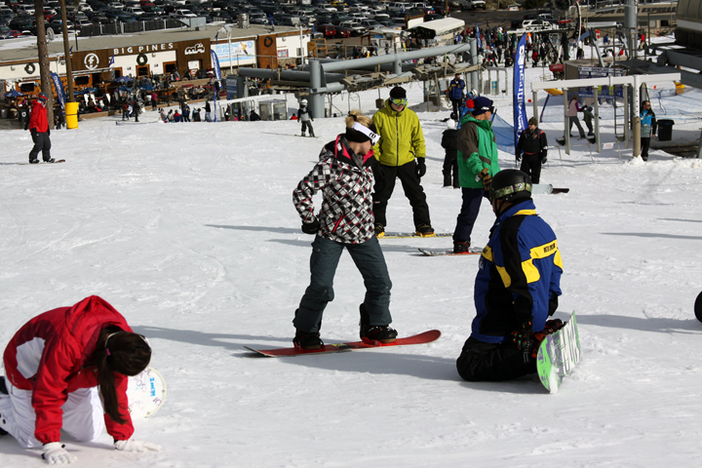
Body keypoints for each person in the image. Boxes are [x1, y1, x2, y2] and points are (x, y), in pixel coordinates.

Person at [0, 296, 161, 463]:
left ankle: (48, 415)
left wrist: (123, 438)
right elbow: (49, 391)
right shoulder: (68, 343)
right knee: (32, 441)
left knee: (87, 435)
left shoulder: (122, 343)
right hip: (28, 372)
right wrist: (51, 443)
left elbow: (116, 390)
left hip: (75, 374)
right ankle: (3, 398)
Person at [291, 110, 396, 350]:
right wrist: (309, 219)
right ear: (361, 140)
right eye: (373, 141)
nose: (374, 147)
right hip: (331, 234)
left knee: (381, 283)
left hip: (364, 233)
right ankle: (306, 332)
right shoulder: (329, 164)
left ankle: (375, 325)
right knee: (321, 287)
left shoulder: (369, 163)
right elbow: (302, 191)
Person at [456, 169, 563, 382]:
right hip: (530, 316)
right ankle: (538, 339)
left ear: (505, 198)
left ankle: (530, 356)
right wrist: (546, 308)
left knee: (469, 364)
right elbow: (555, 271)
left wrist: (526, 325)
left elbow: (521, 283)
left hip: (503, 321)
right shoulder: (541, 226)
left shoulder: (510, 232)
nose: (491, 204)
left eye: (493, 198)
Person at [371, 86, 434, 237]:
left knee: (416, 195)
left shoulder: (411, 116)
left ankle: (423, 224)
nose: (401, 104)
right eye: (398, 101)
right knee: (380, 195)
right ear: (390, 100)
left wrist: (421, 160)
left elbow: (418, 139)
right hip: (386, 162)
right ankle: (377, 224)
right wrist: (376, 163)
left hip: (407, 161)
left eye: (404, 101)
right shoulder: (380, 116)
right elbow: (374, 142)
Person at [453, 96, 500, 254]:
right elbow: (470, 154)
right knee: (470, 212)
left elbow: (491, 159)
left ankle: (499, 238)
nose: (492, 113)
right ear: (485, 111)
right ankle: (461, 241)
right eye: (491, 110)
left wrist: (495, 175)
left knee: (503, 207)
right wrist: (481, 172)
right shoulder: (469, 128)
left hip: (490, 178)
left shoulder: (487, 129)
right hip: (475, 179)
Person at [516, 117, 548, 184]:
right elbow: (520, 144)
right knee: (524, 174)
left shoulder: (541, 133)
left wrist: (544, 156)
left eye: (531, 124)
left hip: (536, 156)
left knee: (535, 174)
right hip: (526, 156)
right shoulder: (524, 132)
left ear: (535, 125)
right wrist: (518, 153)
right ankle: (524, 186)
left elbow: (544, 146)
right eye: (529, 124)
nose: (530, 126)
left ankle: (535, 186)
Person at [27, 93, 54, 164]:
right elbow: (33, 119)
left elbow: (44, 118)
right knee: (39, 144)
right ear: (43, 99)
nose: (47, 102)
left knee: (47, 144)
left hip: (43, 129)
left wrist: (47, 127)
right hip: (37, 129)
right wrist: (34, 127)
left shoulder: (43, 107)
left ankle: (47, 158)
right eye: (46, 100)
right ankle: (32, 158)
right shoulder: (36, 107)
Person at [441, 119, 460, 188]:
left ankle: (447, 184)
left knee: (447, 169)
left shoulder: (446, 134)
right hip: (458, 154)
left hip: (449, 154)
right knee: (457, 170)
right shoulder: (459, 133)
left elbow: (443, 144)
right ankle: (457, 185)